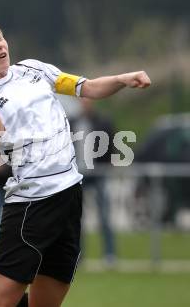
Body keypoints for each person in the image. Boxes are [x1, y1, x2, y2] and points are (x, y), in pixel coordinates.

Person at [0, 21, 151, 307]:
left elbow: (86, 87)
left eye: (0, 36)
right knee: (0, 303)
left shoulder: (34, 69)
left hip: (69, 196)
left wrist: (122, 79)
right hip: (31, 206)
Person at [71, 98, 117, 266]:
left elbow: (111, 147)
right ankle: (78, 256)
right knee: (77, 219)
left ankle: (110, 254)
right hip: (78, 176)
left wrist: (108, 166)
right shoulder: (71, 122)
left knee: (104, 216)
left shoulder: (103, 122)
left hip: (98, 175)